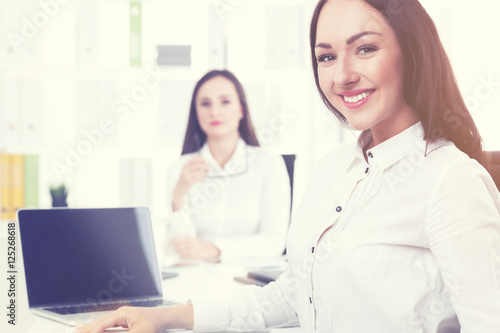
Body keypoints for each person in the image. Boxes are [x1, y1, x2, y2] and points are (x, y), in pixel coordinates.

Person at [78, 0, 500, 332]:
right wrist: (165, 316)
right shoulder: (335, 169)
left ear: (413, 52)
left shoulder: (451, 180)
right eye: (326, 57)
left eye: (365, 48)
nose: (342, 76)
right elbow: (295, 293)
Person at [165, 69, 291, 261]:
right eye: (205, 103)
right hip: (197, 278)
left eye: (225, 101)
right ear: (196, 111)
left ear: (241, 109)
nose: (214, 111)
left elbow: (274, 241)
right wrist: (178, 197)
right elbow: (183, 248)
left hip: (250, 279)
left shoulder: (269, 164)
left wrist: (214, 249)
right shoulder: (180, 168)